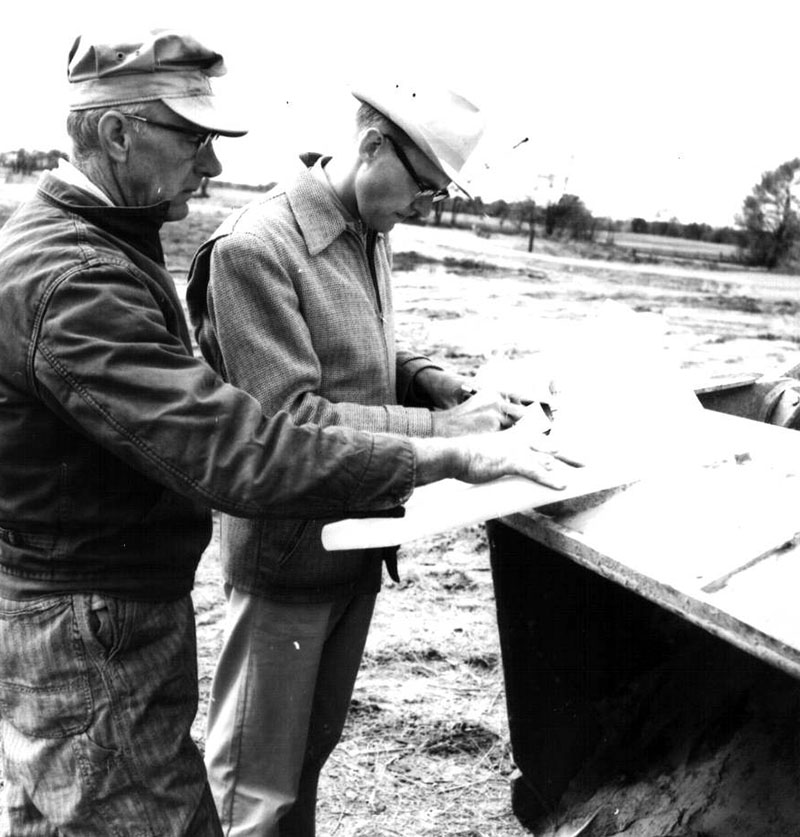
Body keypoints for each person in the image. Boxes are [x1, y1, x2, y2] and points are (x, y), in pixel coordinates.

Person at [0, 30, 574, 837]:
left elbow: (353, 350)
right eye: (195, 139)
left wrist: (437, 385)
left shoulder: (101, 248)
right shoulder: (84, 276)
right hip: (97, 622)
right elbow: (252, 441)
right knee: (208, 808)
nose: (211, 167)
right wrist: (452, 444)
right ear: (117, 134)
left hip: (121, 603)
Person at [186, 81, 562, 836]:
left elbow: (364, 351)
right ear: (372, 147)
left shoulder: (364, 231)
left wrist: (439, 382)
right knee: (255, 794)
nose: (422, 206)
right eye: (422, 186)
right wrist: (445, 428)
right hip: (288, 556)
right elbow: (291, 420)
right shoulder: (255, 249)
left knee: (305, 761)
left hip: (357, 544)